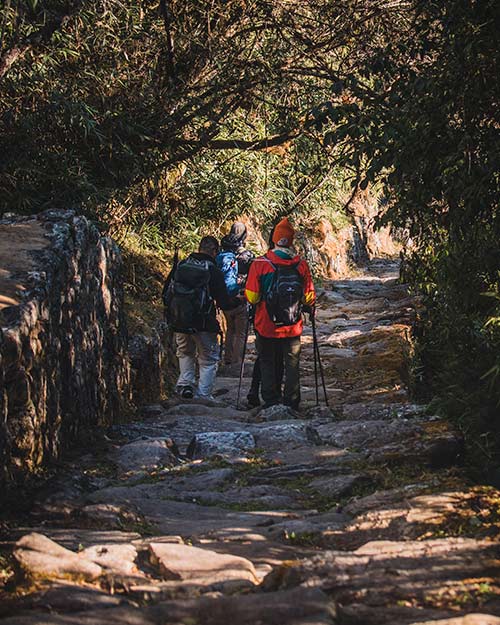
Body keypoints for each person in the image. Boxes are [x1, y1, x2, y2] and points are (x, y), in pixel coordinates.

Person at [245, 217, 315, 409]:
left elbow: (251, 296)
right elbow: (309, 297)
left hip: (266, 323)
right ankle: (291, 400)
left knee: (267, 360)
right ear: (291, 241)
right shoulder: (300, 265)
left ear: (274, 239)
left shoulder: (261, 263)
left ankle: (270, 400)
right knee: (292, 362)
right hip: (292, 325)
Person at [165, 236, 240, 400]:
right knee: (208, 359)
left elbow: (167, 292)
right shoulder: (212, 270)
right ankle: (204, 394)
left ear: (199, 248)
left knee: (184, 352)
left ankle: (185, 386)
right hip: (204, 322)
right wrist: (238, 300)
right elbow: (224, 302)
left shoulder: (183, 265)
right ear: (214, 251)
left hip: (180, 319)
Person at [216, 222, 254, 376]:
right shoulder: (247, 255)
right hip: (240, 297)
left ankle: (228, 359)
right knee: (240, 333)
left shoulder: (222, 254)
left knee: (230, 330)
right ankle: (237, 363)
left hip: (224, 299)